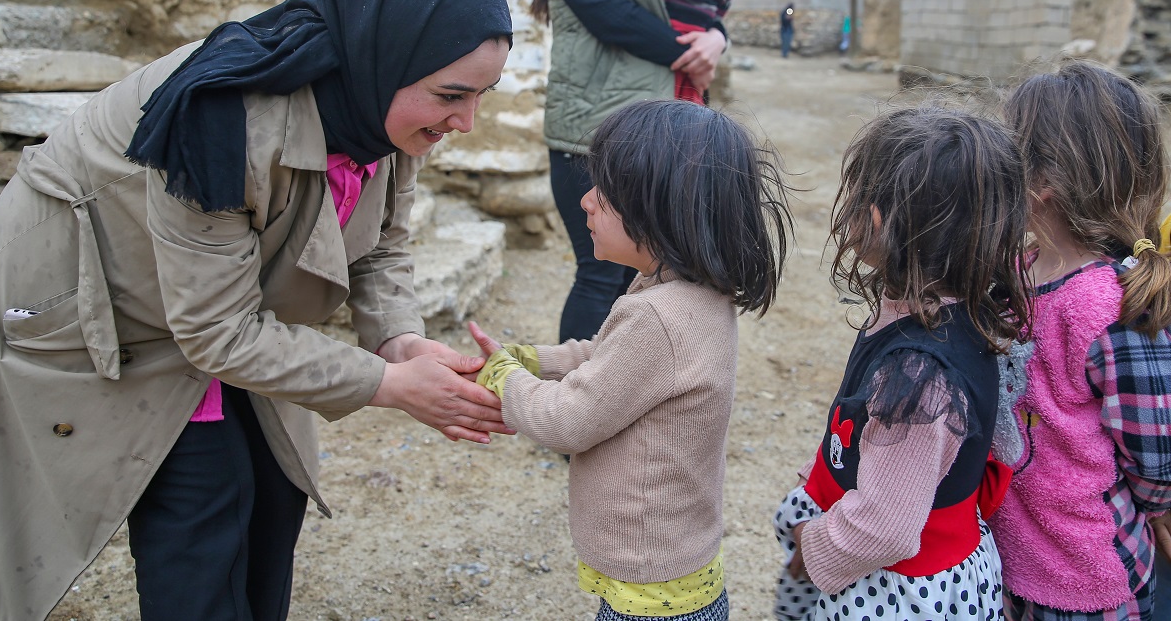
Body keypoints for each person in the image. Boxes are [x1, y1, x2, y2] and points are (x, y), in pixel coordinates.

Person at [0, 0, 514, 621]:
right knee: (203, 499)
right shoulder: (222, 117)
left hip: (212, 300)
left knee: (274, 485)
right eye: (451, 95)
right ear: (384, 52)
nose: (467, 120)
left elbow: (380, 242)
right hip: (103, 296)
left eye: (482, 94)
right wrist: (390, 385)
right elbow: (216, 332)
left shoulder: (376, 100)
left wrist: (397, 339)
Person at [468, 100, 793, 621]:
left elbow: (566, 420)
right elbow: (605, 359)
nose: (586, 201)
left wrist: (505, 378)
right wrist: (532, 360)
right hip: (674, 567)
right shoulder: (691, 293)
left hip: (650, 591)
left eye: (606, 193)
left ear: (659, 207)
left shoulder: (657, 318)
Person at [774, 106, 1030, 621]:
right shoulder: (956, 308)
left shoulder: (920, 376)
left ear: (872, 219)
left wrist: (814, 547)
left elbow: (885, 528)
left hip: (898, 595)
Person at [991, 60, 1171, 621]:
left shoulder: (1110, 308)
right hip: (1014, 560)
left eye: (1001, 157)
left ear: (1042, 183)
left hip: (1091, 584)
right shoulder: (1016, 271)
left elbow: (1156, 459)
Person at [530, 0, 727, 344]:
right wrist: (692, 51)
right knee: (597, 273)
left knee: (634, 274)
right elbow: (617, 21)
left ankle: (613, 399)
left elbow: (700, 8)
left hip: (647, 136)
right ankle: (570, 402)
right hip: (587, 138)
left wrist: (717, 37)